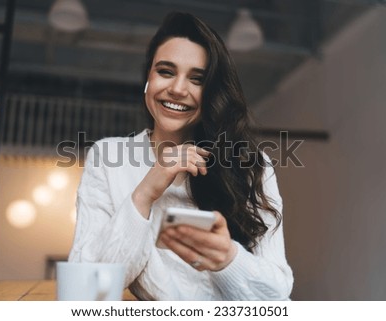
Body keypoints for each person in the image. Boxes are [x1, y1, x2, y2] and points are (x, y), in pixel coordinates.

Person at [69, 11, 293, 300]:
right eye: (166, 71)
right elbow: (84, 292)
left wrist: (227, 257)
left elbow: (277, 295)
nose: (177, 89)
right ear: (148, 79)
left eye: (197, 79)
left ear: (211, 92)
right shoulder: (107, 158)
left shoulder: (253, 165)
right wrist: (145, 192)